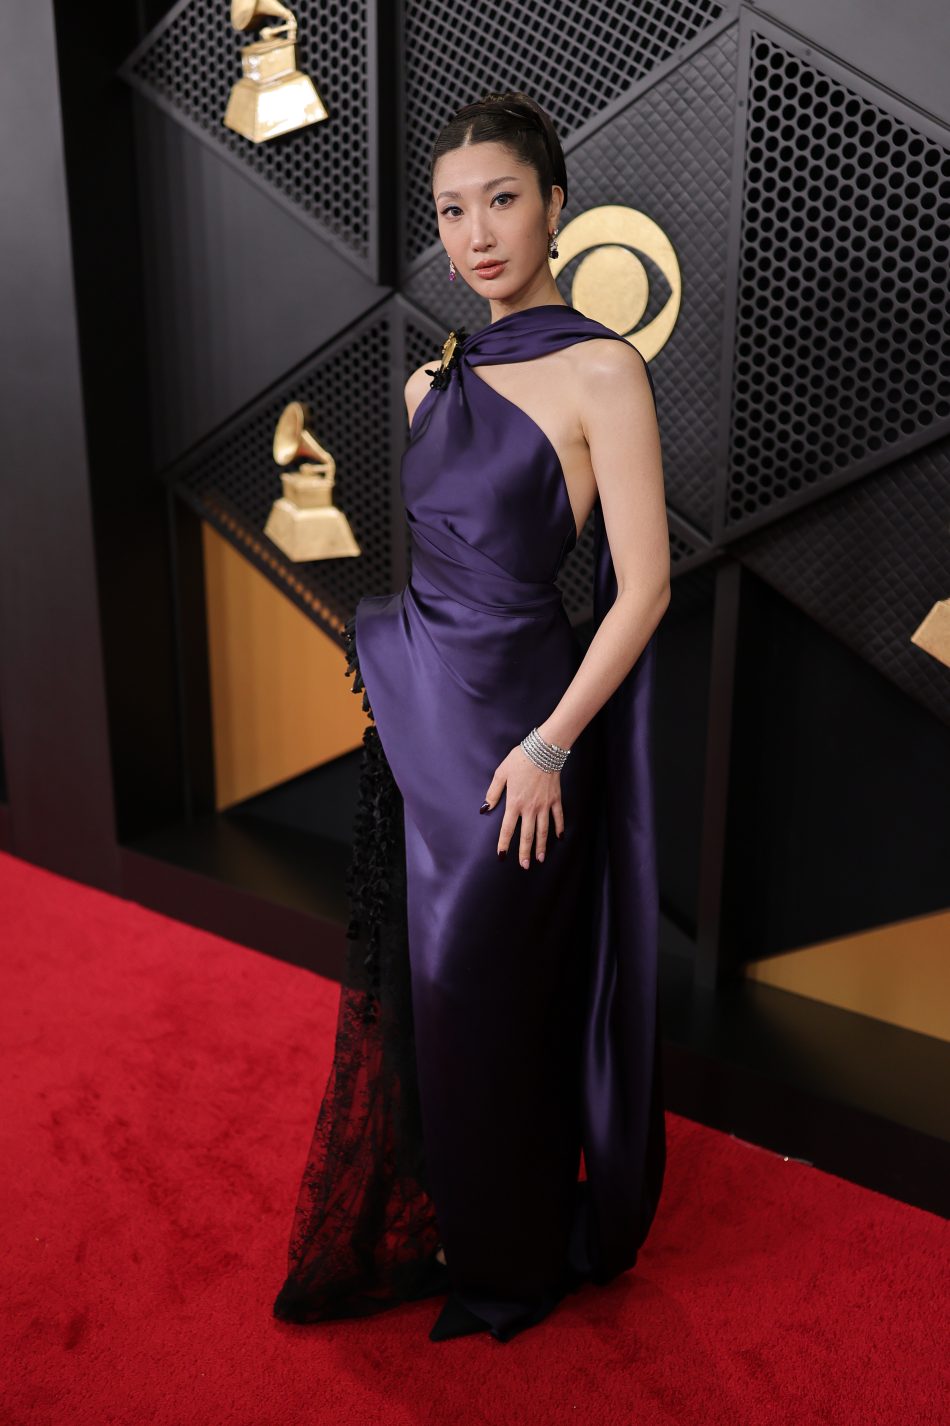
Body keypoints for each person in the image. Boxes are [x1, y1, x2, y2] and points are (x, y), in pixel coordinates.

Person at [273, 89, 670, 1344]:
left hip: (524, 735)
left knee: (490, 991)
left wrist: (551, 742)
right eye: (451, 211)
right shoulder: (428, 380)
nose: (476, 233)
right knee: (431, 997)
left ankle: (513, 1249)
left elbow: (645, 588)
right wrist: (401, 693)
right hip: (424, 724)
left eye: (500, 200)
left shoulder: (602, 369)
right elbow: (440, 571)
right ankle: (452, 1216)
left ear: (554, 204)